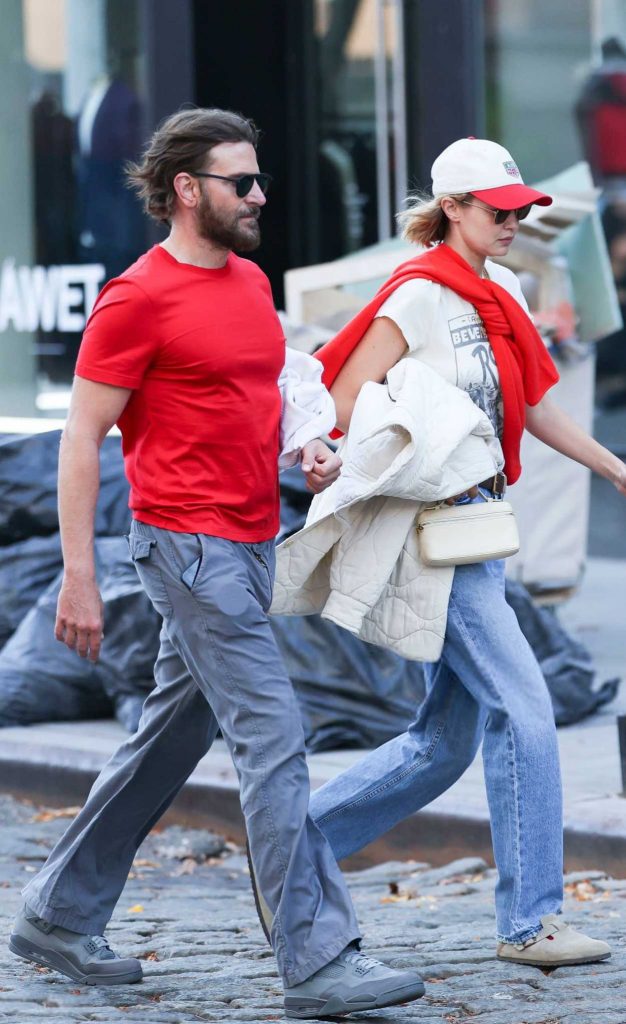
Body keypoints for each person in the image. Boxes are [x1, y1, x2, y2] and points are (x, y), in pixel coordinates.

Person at [9, 107, 425, 1019]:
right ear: (188, 189)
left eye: (258, 179)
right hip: (186, 549)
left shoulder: (245, 283)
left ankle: (54, 911)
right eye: (242, 182)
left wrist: (303, 451)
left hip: (248, 543)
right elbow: (82, 437)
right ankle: (318, 961)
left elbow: (254, 399)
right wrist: (77, 577)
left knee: (171, 735)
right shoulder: (136, 298)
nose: (260, 196)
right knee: (276, 741)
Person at [284, 138, 626, 968]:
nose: (514, 221)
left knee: (442, 745)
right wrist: (340, 448)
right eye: (498, 209)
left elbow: (535, 404)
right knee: (527, 708)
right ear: (454, 210)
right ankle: (530, 923)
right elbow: (340, 393)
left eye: (521, 209)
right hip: (439, 531)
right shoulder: (417, 296)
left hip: (483, 527)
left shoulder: (502, 290)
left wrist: (615, 467)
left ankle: (289, 856)